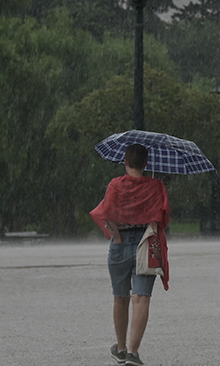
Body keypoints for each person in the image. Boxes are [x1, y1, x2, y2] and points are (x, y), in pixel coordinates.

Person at [90, 143, 170, 366]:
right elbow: (162, 218)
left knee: (120, 296)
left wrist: (116, 237)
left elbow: (107, 213)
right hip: (146, 243)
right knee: (142, 297)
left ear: (125, 161)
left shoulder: (115, 185)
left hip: (120, 243)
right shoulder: (156, 186)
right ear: (146, 163)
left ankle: (121, 348)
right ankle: (134, 352)